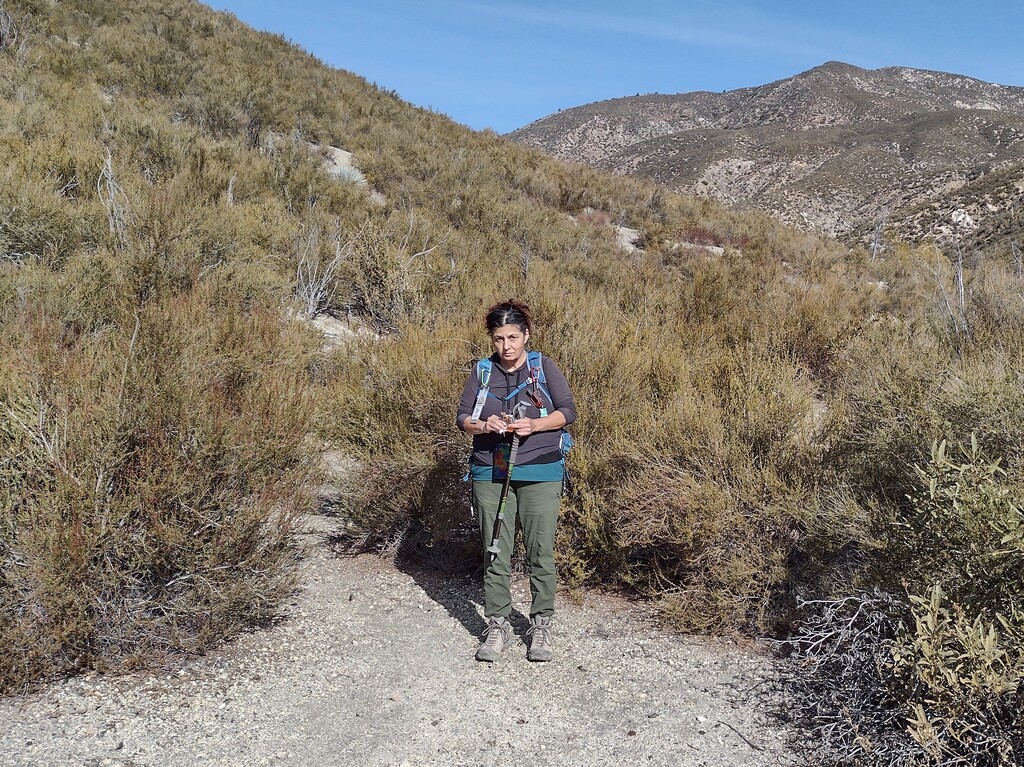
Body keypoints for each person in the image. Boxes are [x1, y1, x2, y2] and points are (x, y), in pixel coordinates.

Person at [456, 299, 576, 662]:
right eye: (498, 339)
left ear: (527, 335)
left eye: (512, 337)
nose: (506, 347)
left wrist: (535, 424)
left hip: (541, 469)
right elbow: (463, 417)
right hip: (491, 468)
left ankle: (541, 624)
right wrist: (483, 425)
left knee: (540, 549)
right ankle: (497, 625)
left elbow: (567, 411)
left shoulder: (543, 367)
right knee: (495, 549)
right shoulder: (482, 372)